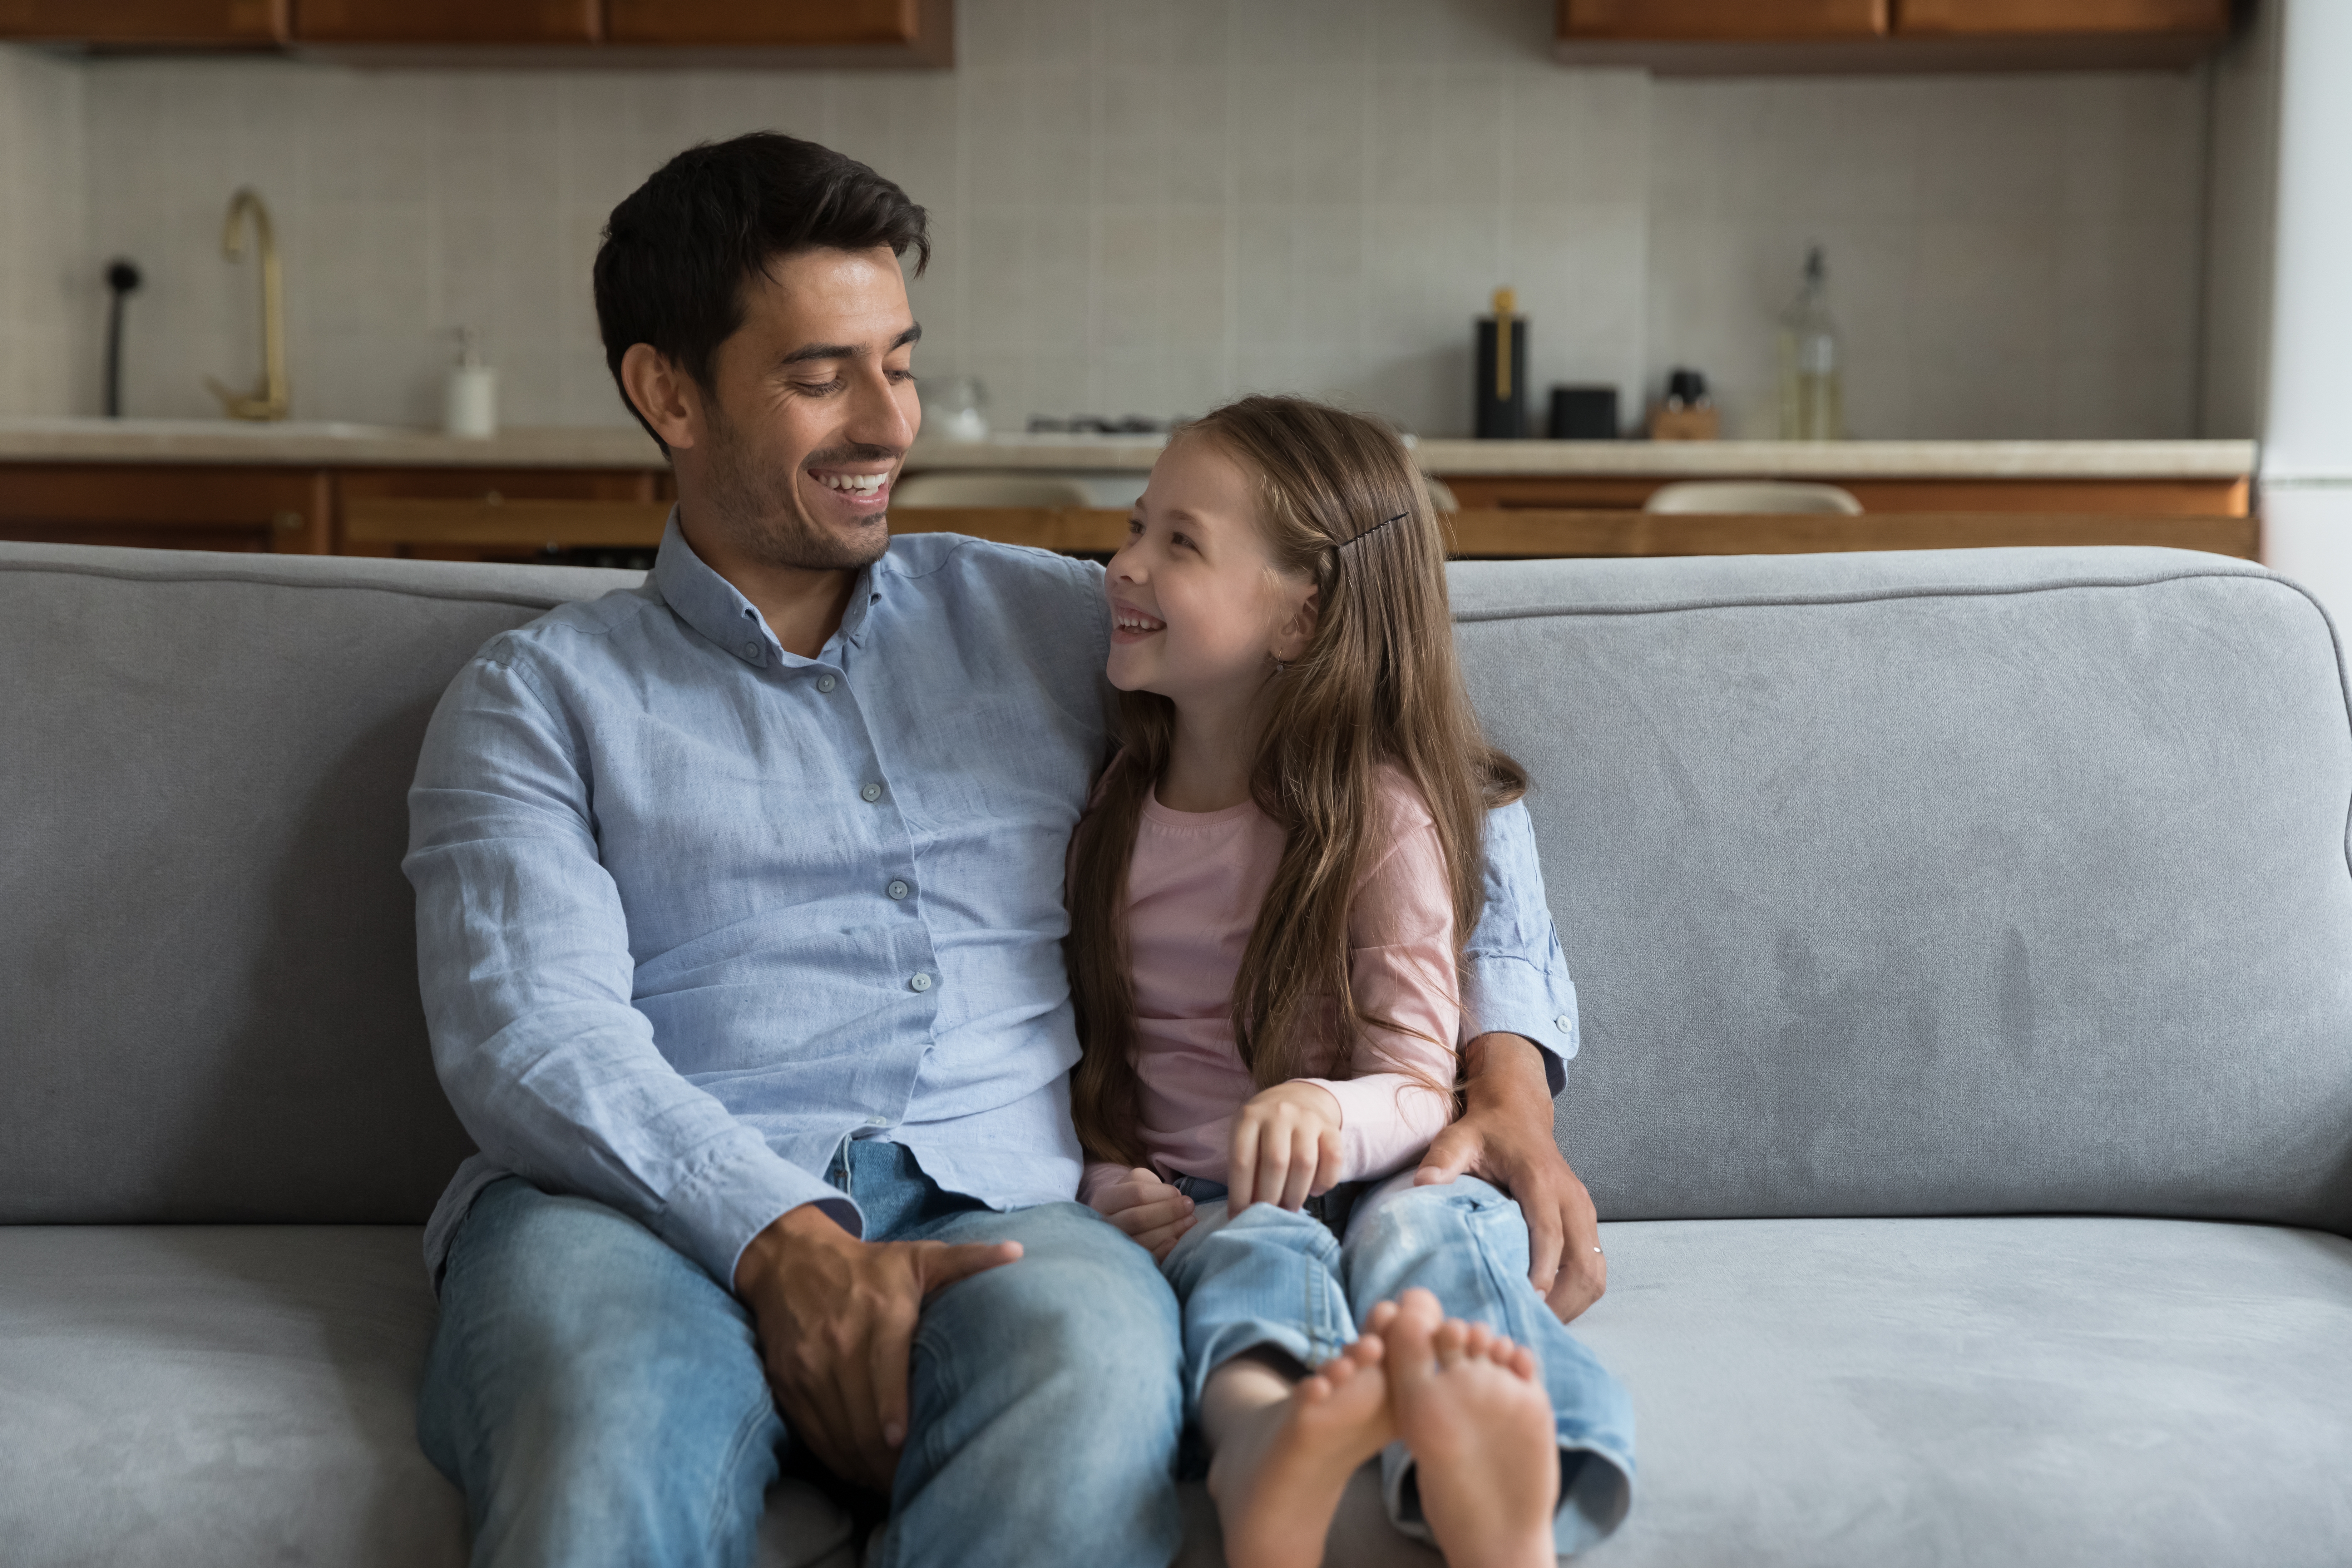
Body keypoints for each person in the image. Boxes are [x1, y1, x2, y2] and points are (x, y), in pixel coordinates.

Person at [404, 130, 1607, 1568]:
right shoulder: (535, 696)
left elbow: (1420, 769)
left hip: (1019, 1199)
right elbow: (527, 1034)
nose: (886, 423)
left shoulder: (1052, 621)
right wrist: (785, 1238)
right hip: (635, 1210)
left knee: (1094, 1381)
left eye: (897, 362)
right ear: (667, 391)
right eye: (817, 376)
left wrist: (1510, 1083)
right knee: (606, 1428)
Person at [1068, 397, 1635, 1567]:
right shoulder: (1104, 813)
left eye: (1179, 541)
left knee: (1436, 1238)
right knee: (1246, 1258)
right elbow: (1083, 1049)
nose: (1120, 564)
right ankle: (1271, 1449)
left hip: (1390, 1163)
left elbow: (1420, 1078)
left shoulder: (1378, 814)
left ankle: (1515, 1490)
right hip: (1219, 1193)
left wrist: (1328, 1107)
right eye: (1136, 526)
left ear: (1303, 611)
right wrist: (1101, 1177)